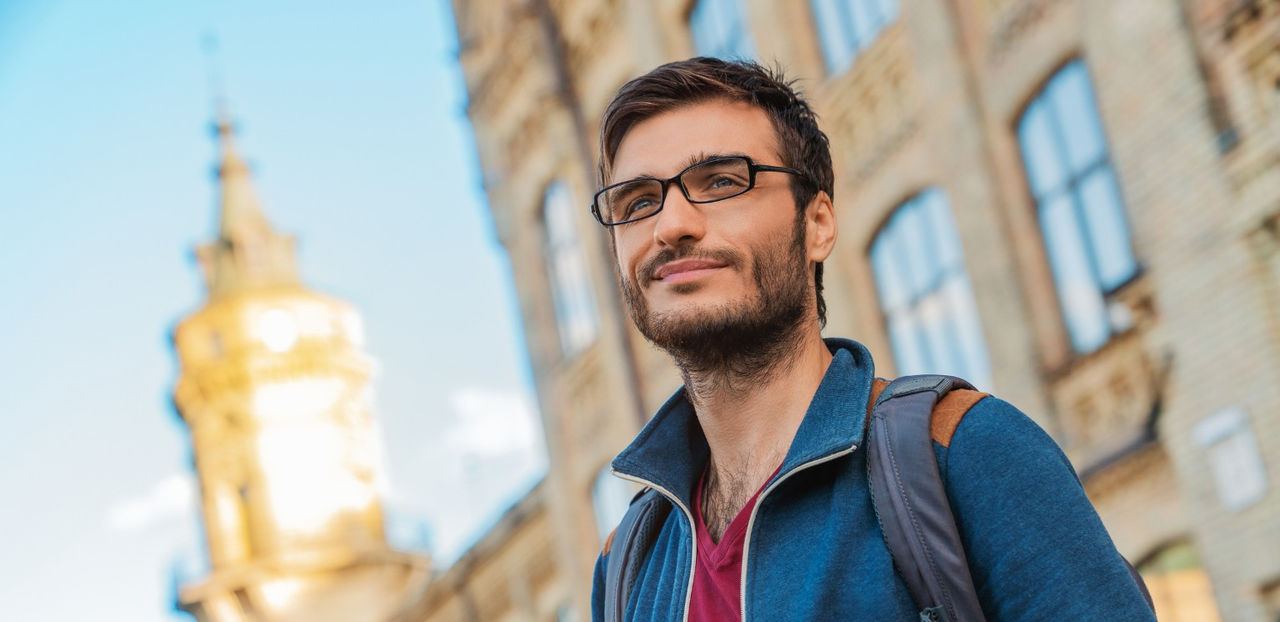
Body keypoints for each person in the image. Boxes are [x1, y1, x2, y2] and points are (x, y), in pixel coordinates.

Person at [588, 57, 1154, 621]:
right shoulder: (626, 566)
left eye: (722, 181)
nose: (670, 225)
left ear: (817, 225)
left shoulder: (965, 451)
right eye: (637, 202)